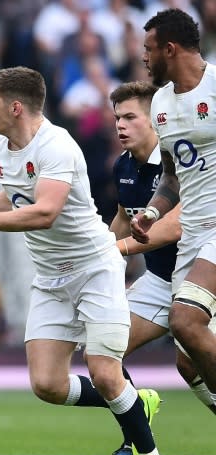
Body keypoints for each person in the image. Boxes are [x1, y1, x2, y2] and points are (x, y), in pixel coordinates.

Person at [0, 66, 171, 455]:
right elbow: (18, 192)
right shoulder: (0, 149)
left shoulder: (57, 145)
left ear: (15, 107)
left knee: (105, 370)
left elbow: (45, 211)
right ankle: (135, 403)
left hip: (94, 267)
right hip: (51, 276)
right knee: (47, 384)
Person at [93, 80, 216, 455]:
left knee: (187, 363)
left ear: (155, 120)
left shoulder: (182, 161)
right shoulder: (123, 166)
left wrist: (120, 250)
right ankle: (136, 443)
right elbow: (121, 219)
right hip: (159, 280)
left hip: (199, 275)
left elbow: (174, 227)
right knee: (104, 348)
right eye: (116, 119)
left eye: (130, 117)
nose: (121, 127)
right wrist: (94, 253)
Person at [133, 8, 216, 410]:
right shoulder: (161, 103)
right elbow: (171, 174)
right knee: (188, 360)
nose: (144, 58)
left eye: (148, 49)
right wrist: (151, 212)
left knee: (184, 318)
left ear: (169, 48)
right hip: (194, 234)